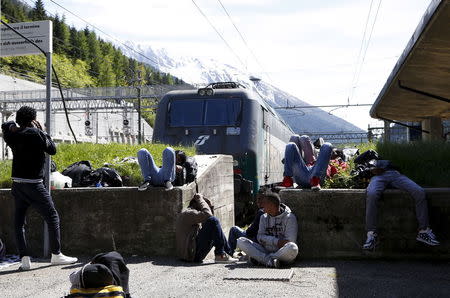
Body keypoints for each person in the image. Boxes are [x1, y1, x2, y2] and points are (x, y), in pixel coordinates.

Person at [1, 106, 77, 271]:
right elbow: (52, 149)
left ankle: (24, 259)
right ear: (33, 120)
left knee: (19, 222)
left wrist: (15, 126)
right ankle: (56, 254)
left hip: (17, 185)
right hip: (34, 184)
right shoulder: (35, 134)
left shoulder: (12, 135)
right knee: (52, 216)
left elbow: (5, 125)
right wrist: (42, 131)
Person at [358, 152, 440, 250]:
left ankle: (424, 231)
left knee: (419, 192)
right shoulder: (364, 165)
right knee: (372, 194)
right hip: (377, 178)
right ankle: (371, 235)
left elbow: (398, 169)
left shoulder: (387, 162)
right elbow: (361, 170)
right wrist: (371, 171)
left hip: (395, 175)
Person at [237, 192, 298, 268]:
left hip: (283, 252)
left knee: (293, 247)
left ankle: (263, 259)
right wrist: (276, 241)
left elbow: (289, 241)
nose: (261, 205)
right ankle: (270, 261)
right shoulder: (263, 217)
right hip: (265, 250)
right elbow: (259, 237)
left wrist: (266, 240)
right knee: (240, 241)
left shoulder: (289, 218)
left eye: (264, 203)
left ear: (272, 205)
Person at [175, 193, 238, 263]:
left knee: (215, 227)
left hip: (192, 253)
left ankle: (229, 254)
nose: (204, 208)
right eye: (203, 205)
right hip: (192, 255)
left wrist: (210, 206)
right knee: (213, 220)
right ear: (196, 204)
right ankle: (220, 255)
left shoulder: (190, 215)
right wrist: (200, 199)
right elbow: (209, 216)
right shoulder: (188, 213)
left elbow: (214, 227)